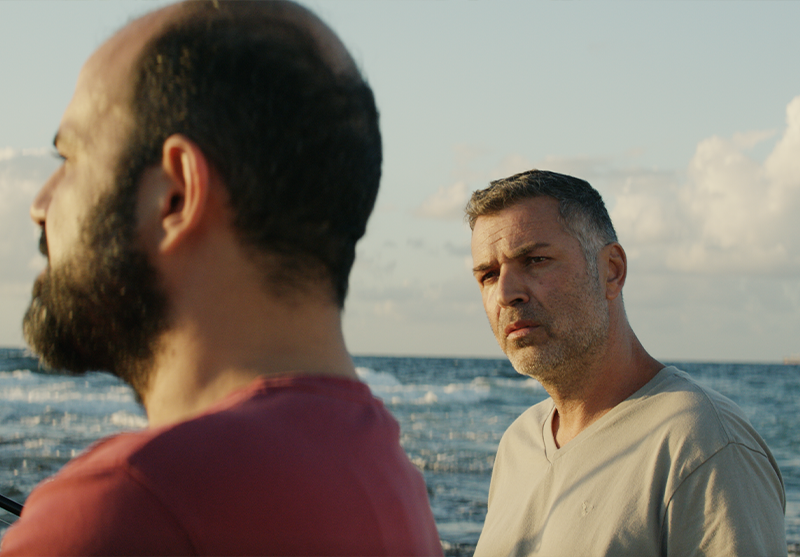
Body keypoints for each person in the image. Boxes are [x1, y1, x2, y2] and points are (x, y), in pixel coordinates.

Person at [1, 2, 442, 555]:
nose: (40, 203)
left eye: (68, 158)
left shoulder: (129, 505)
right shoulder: (388, 479)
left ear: (176, 196)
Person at [466, 169, 786, 556]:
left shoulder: (702, 443)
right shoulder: (519, 443)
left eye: (535, 260)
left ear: (611, 271)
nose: (506, 293)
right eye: (488, 274)